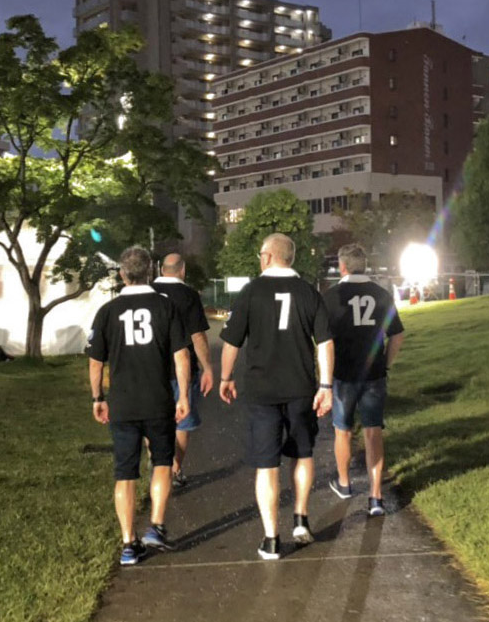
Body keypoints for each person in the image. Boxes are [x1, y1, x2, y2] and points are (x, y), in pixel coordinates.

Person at [219, 233, 334, 561]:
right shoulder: (309, 293)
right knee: (303, 453)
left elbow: (232, 342)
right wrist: (326, 386)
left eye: (260, 254)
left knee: (267, 465)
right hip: (300, 388)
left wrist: (226, 377)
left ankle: (271, 539)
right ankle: (300, 520)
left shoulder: (251, 292)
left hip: (262, 391)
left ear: (268, 257)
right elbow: (325, 342)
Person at [86, 246, 191, 567]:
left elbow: (95, 361)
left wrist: (97, 397)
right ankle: (156, 526)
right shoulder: (166, 307)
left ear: (121, 273)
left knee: (125, 473)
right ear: (150, 272)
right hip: (158, 398)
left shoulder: (108, 311)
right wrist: (183, 395)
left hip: (123, 402)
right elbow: (181, 356)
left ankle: (128, 543)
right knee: (162, 462)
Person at [323, 244, 405, 517]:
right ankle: (376, 496)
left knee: (342, 430)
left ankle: (345, 483)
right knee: (373, 432)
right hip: (374, 374)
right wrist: (387, 363)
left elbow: (325, 341)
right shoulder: (381, 294)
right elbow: (397, 334)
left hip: (344, 374)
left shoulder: (332, 297)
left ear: (342, 266)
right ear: (365, 265)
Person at [151, 253, 214, 487]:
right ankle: (175, 470)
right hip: (182, 369)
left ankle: (157, 464)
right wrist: (208, 367)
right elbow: (197, 335)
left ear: (161, 270)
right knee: (182, 420)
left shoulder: (148, 291)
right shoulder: (188, 295)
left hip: (152, 369)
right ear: (182, 270)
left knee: (155, 420)